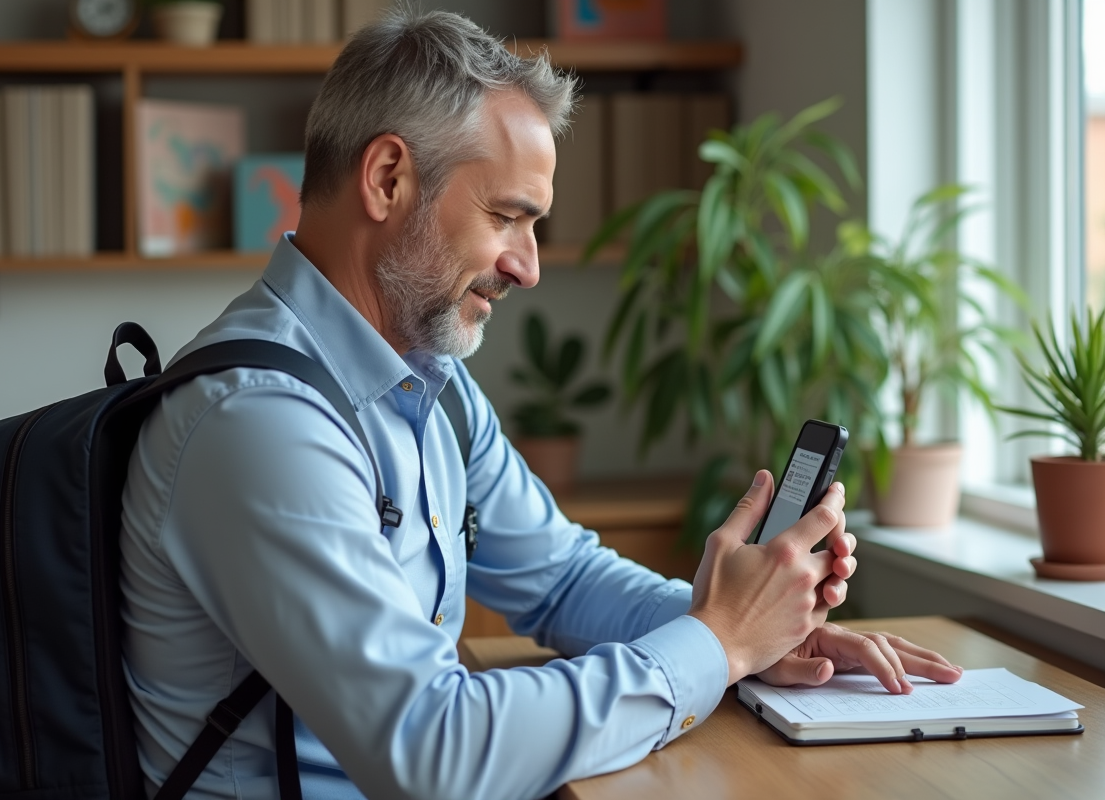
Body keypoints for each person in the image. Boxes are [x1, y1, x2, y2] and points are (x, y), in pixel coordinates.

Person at [119, 9, 962, 800]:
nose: (527, 266)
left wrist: (754, 631)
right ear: (387, 179)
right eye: (506, 217)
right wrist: (717, 643)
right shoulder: (259, 423)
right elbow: (430, 749)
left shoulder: (426, 386)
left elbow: (560, 580)